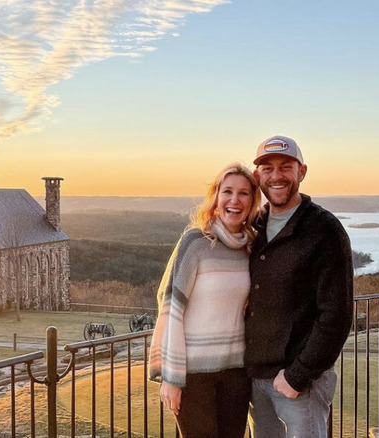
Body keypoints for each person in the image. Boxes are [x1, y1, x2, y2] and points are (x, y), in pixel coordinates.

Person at [245, 135, 354, 438]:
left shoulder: (324, 230)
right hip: (257, 380)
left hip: (300, 384)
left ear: (301, 172)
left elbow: (337, 315)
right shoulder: (254, 225)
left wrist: (297, 376)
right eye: (267, 168)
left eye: (286, 167)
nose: (276, 176)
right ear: (258, 176)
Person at [150, 162, 262, 438]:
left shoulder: (250, 247)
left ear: (252, 201)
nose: (234, 200)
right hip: (194, 375)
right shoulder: (196, 243)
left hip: (236, 373)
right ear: (216, 197)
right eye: (227, 192)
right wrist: (171, 378)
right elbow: (172, 310)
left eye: (244, 193)